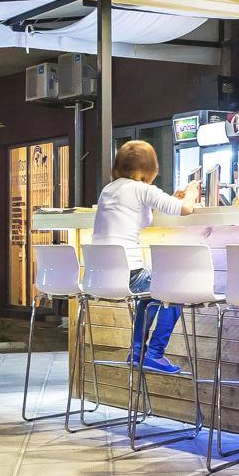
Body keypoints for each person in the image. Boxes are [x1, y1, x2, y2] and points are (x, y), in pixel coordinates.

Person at [92, 140, 199, 375]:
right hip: (129, 274)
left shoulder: (108, 190)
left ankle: (137, 352)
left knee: (149, 294)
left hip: (98, 276)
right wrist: (191, 193)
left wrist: (170, 199)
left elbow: (139, 219)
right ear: (150, 167)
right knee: (176, 287)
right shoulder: (142, 189)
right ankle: (155, 354)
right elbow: (186, 209)